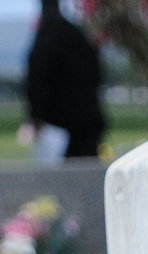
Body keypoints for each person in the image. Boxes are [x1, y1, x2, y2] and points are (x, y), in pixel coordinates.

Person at [25, 0, 106, 162]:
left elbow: (36, 79)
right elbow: (97, 73)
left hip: (59, 127)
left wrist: (36, 115)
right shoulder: (77, 34)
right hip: (88, 121)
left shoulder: (46, 37)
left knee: (58, 181)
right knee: (86, 177)